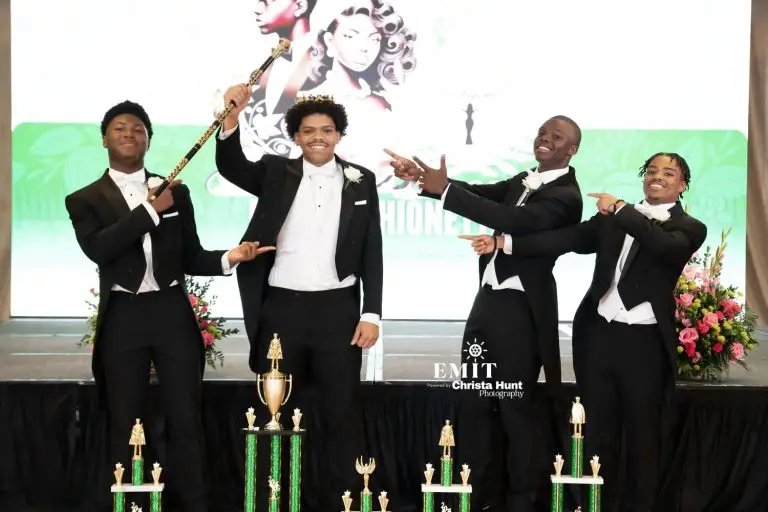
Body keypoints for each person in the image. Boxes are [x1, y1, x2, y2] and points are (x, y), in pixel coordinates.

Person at [64, 100, 273, 512]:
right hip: (122, 317)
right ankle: (130, 502)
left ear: (149, 139)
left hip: (172, 313)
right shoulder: (84, 199)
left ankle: (195, 502)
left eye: (138, 128)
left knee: (185, 418)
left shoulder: (175, 190)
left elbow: (190, 256)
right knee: (125, 419)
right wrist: (147, 211)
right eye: (120, 128)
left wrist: (231, 256)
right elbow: (99, 249)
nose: (129, 134)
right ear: (105, 138)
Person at [471, 152, 707, 511]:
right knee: (597, 436)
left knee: (644, 438)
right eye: (652, 171)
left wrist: (624, 209)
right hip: (597, 338)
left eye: (668, 173)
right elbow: (566, 239)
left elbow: (663, 247)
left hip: (644, 345)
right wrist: (505, 244)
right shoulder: (611, 219)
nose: (657, 177)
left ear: (682, 184)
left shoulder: (690, 227)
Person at [386, 115, 584, 512]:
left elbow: (512, 221)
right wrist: (424, 182)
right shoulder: (523, 178)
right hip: (489, 302)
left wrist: (445, 191)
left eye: (556, 136)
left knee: (514, 408)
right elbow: (480, 194)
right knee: (475, 402)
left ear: (571, 150)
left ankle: (521, 501)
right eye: (542, 132)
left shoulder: (567, 196)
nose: (545, 139)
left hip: (522, 310)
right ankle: (478, 497)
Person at [215, 85, 383, 511]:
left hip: (339, 311)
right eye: (308, 131)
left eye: (327, 130)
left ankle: (342, 500)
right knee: (275, 412)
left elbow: (372, 251)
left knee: (341, 412)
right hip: (282, 310)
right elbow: (232, 165)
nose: (318, 137)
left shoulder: (362, 179)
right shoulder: (275, 172)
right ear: (296, 136)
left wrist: (372, 313)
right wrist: (231, 120)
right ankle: (274, 499)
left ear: (339, 134)